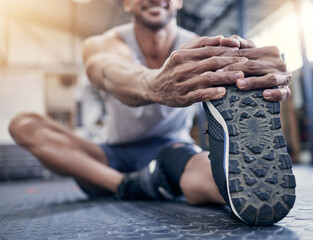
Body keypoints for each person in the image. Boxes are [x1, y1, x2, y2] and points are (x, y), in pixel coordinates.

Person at [8, 0, 295, 225]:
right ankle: (125, 185)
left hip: (171, 148)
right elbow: (107, 71)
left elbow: (245, 67)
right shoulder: (104, 43)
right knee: (24, 124)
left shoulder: (202, 47)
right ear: (128, 3)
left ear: (179, 1)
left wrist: (260, 70)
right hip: (111, 156)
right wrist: (153, 84)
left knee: (202, 172)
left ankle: (240, 192)